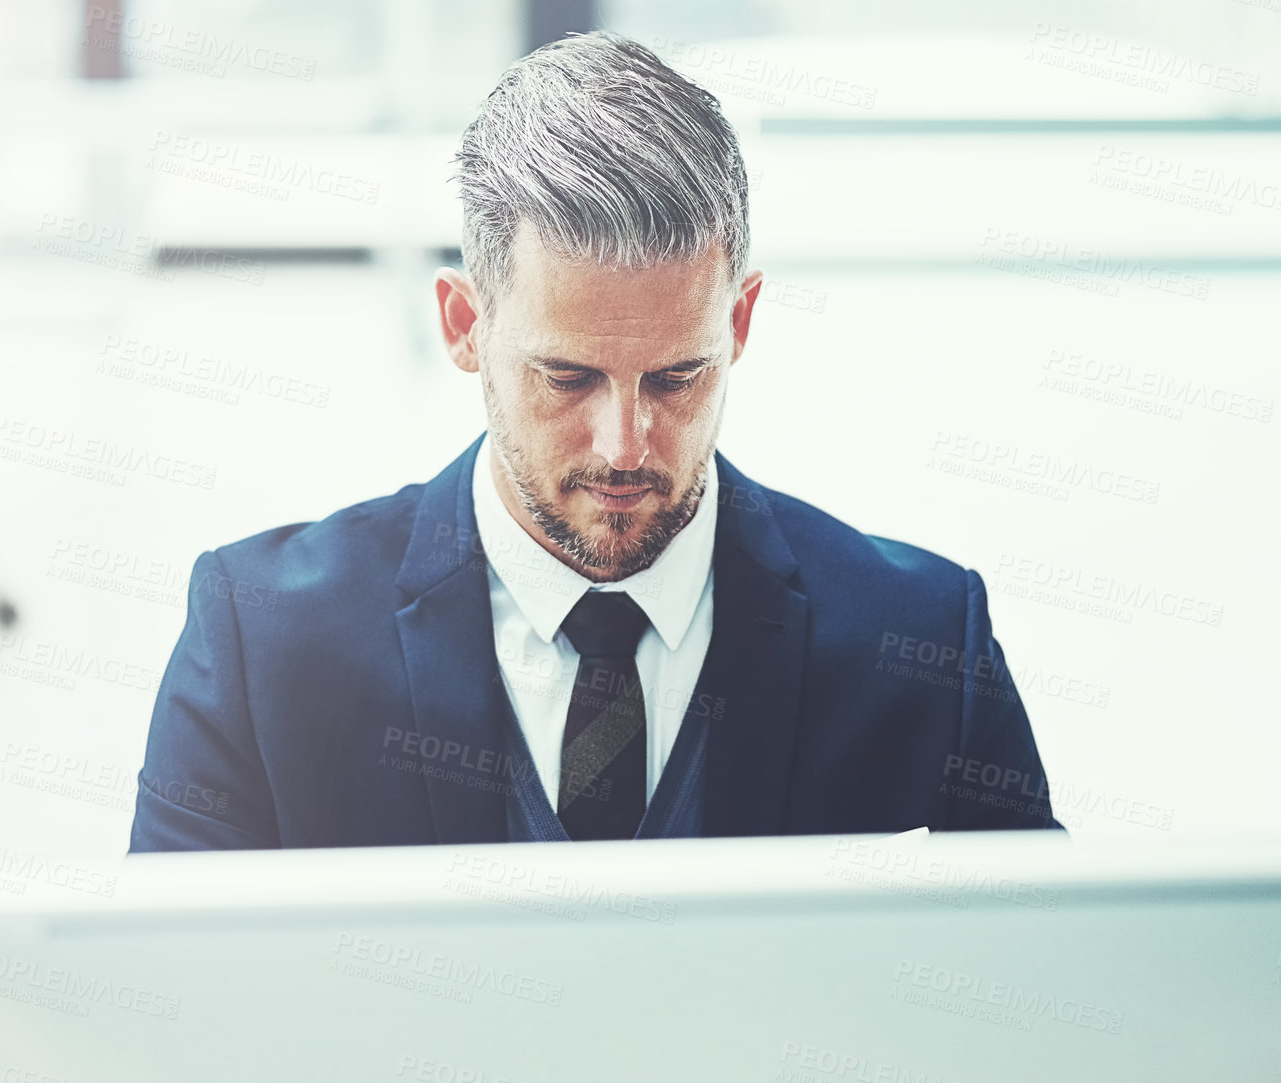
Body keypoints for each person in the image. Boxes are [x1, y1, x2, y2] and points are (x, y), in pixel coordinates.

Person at [130, 31, 1060, 852]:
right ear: (464, 325)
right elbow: (162, 1028)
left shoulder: (927, 646)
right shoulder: (263, 646)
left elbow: (1056, 1012)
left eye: (676, 377)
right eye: (568, 378)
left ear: (740, 322)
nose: (625, 444)